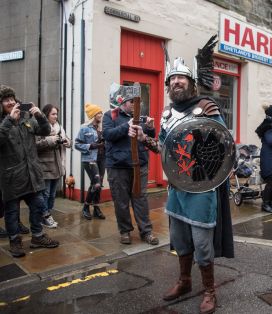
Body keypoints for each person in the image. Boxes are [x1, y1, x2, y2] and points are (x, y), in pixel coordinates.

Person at [129, 56, 234, 314]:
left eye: (181, 78)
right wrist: (144, 138)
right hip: (176, 186)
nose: (176, 81)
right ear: (168, 85)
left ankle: (210, 291)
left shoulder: (207, 107)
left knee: (202, 243)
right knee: (179, 238)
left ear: (191, 83)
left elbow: (224, 144)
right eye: (172, 79)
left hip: (201, 185)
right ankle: (185, 281)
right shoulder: (167, 113)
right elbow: (165, 149)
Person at [0, 85, 59, 257]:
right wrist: (9, 120)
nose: (10, 102)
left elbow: (46, 131)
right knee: (12, 213)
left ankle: (38, 236)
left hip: (32, 174)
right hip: (11, 176)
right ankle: (15, 241)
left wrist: (40, 116)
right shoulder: (4, 122)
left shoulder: (26, 117)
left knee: (38, 206)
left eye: (12, 98)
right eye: (6, 100)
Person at [103, 86, 159, 245]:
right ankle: (125, 231)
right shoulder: (110, 116)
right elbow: (107, 135)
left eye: (137, 102)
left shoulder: (141, 117)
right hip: (117, 166)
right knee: (121, 201)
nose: (136, 105)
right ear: (123, 102)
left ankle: (146, 231)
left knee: (141, 199)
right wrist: (126, 125)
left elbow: (149, 138)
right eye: (132, 102)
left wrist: (150, 128)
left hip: (139, 165)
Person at [36, 104, 72, 228]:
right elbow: (35, 146)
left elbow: (68, 141)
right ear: (46, 114)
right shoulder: (40, 127)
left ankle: (48, 214)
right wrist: (50, 140)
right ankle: (44, 216)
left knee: (52, 194)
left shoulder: (59, 127)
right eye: (53, 114)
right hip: (45, 166)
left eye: (56, 114)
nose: (56, 116)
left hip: (58, 166)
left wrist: (67, 141)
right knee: (45, 194)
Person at [75, 103, 106, 220]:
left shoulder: (102, 127)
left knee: (98, 184)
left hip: (102, 159)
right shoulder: (84, 128)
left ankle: (96, 208)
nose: (101, 114)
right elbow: (77, 144)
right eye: (98, 113)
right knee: (96, 184)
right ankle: (86, 207)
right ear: (93, 115)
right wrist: (90, 146)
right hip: (89, 159)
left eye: (101, 112)